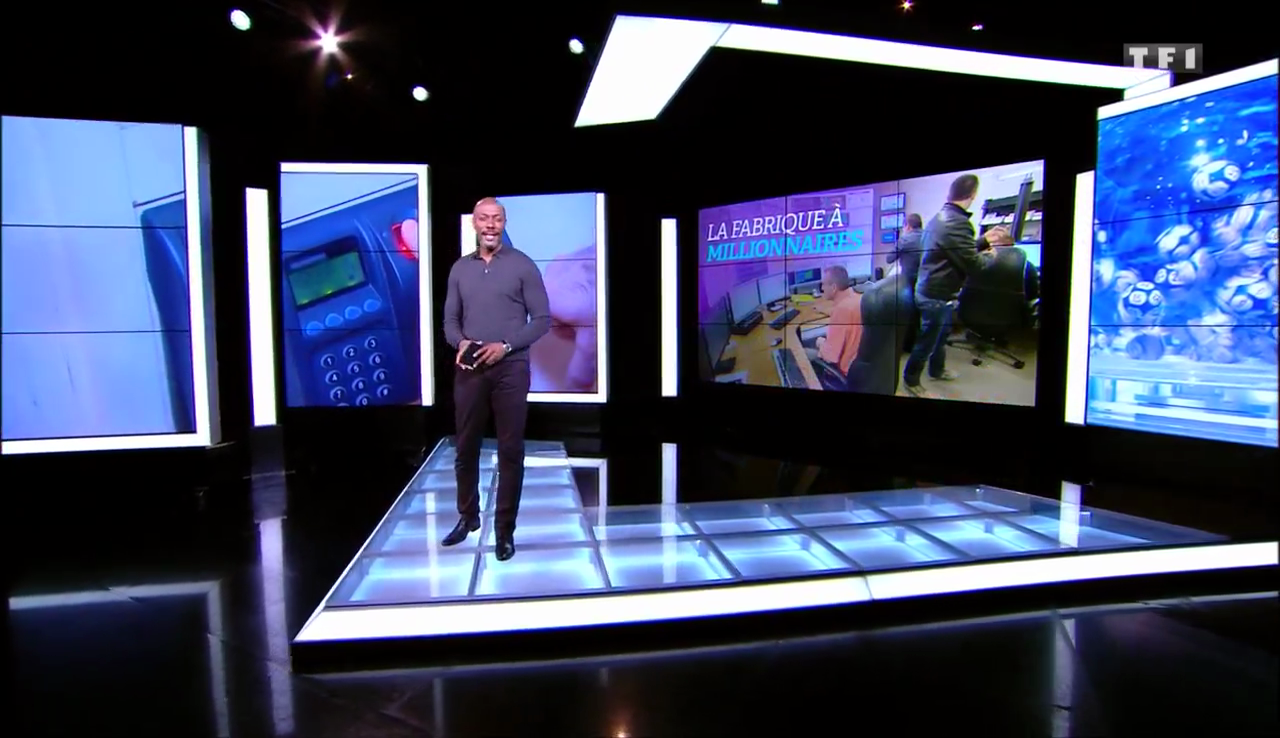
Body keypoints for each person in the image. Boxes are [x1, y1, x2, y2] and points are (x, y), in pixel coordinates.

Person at [441, 197, 551, 561]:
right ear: (474, 224)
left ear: (504, 223)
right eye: (484, 219)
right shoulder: (460, 269)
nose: (490, 225)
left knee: (510, 451)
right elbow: (450, 321)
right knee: (465, 447)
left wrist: (505, 346)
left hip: (511, 368)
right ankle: (467, 517)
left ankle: (504, 531)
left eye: (497, 219)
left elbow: (542, 320)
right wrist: (460, 343)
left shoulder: (523, 265)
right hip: (470, 367)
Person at [903, 174, 994, 396]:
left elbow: (956, 248)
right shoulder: (958, 223)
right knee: (927, 341)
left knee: (940, 337)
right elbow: (974, 265)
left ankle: (937, 370)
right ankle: (911, 380)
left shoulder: (940, 218)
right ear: (973, 195)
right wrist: (991, 255)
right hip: (935, 295)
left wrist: (983, 241)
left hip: (934, 291)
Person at [807, 265, 864, 378]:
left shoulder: (841, 310)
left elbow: (830, 357)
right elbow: (845, 313)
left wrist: (820, 342)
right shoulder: (859, 299)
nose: (822, 288)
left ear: (833, 287)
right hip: (862, 366)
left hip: (846, 371)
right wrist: (826, 311)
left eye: (823, 284)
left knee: (802, 353)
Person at [886, 213, 925, 286]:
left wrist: (898, 243)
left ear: (908, 227)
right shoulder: (930, 237)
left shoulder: (904, 240)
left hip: (910, 283)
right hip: (927, 281)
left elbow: (889, 259)